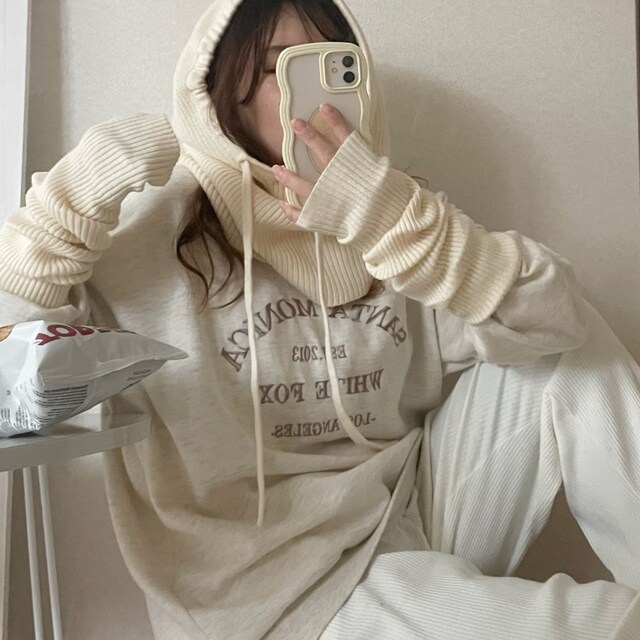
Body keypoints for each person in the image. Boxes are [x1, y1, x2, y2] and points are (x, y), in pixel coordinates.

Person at [1, 0, 639, 638]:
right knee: (608, 626)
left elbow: (558, 320)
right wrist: (65, 209)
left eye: (335, 65)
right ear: (222, 95)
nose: (316, 97)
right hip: (269, 598)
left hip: (403, 523)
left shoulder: (393, 219)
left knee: (569, 350)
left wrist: (393, 222)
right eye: (283, 67)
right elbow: (11, 379)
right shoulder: (156, 238)